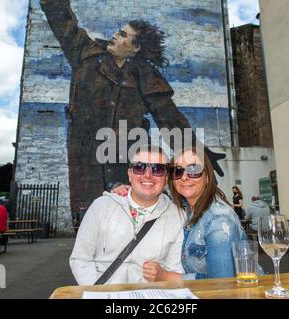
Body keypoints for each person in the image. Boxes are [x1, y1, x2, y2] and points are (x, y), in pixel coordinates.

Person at [40, 0, 225, 222]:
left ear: (135, 47)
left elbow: (169, 118)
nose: (114, 36)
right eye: (118, 32)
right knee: (88, 216)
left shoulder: (144, 75)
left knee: (128, 220)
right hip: (85, 153)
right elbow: (62, 20)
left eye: (122, 34)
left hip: (125, 158)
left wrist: (196, 154)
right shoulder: (84, 53)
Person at [113, 148, 250, 280]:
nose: (184, 177)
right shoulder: (185, 207)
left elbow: (222, 287)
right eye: (177, 171)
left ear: (207, 177)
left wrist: (166, 276)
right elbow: (153, 191)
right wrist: (126, 190)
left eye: (194, 170)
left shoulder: (218, 223)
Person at [69, 145, 184, 285]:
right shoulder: (101, 207)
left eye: (157, 169)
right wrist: (97, 292)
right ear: (130, 174)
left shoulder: (178, 217)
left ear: (166, 178)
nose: (148, 174)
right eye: (139, 167)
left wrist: (162, 277)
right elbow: (80, 258)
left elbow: (175, 268)